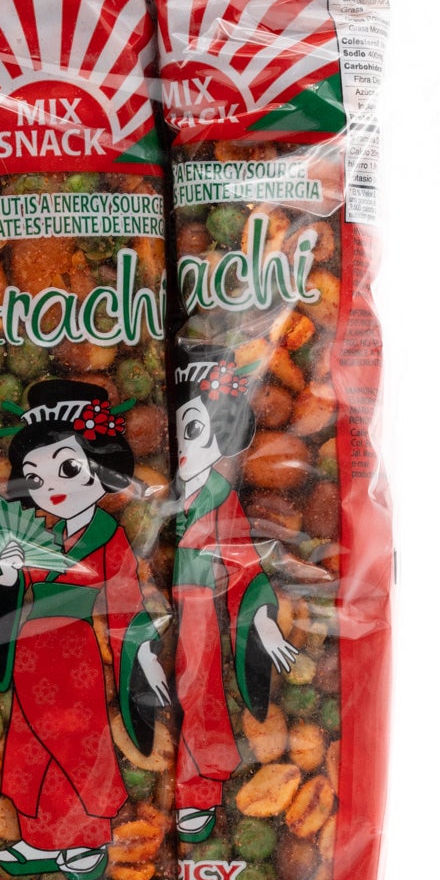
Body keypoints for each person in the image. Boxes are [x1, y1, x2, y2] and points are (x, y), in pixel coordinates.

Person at [0, 379, 169, 880]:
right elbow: (3, 595)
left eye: (67, 470)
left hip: (76, 655)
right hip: (28, 654)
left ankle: (86, 838)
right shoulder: (32, 536)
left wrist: (143, 655)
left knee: (79, 744)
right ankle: (40, 838)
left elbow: (126, 598)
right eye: (35, 477)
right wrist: (6, 574)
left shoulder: (108, 535)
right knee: (29, 747)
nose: (51, 487)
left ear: (101, 469)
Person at [171, 350, 297, 842]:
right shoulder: (169, 493)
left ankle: (201, 796)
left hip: (203, 611)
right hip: (160, 610)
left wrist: (263, 621)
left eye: (195, 430)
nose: (182, 443)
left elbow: (245, 563)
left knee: (201, 696)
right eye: (180, 427)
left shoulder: (223, 497)